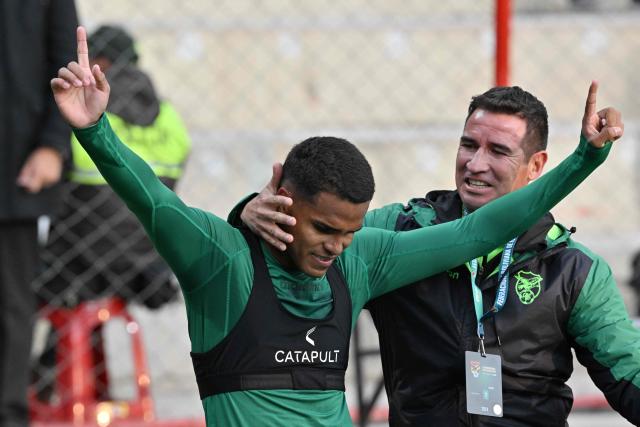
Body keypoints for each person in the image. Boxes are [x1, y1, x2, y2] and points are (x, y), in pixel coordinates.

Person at [52, 26, 620, 426]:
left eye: (349, 231)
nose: (336, 247)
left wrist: (585, 159)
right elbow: (151, 198)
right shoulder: (221, 259)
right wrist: (96, 131)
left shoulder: (361, 256)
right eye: (325, 228)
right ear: (285, 197)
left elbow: (480, 231)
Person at [239, 85, 639, 426]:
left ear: (537, 166)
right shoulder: (400, 230)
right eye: (468, 144)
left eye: (498, 151)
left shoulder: (572, 268)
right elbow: (303, 242)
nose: (475, 164)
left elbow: (628, 374)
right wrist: (248, 213)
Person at [31, 25, 191, 401]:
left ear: (98, 61)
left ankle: (37, 384)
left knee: (29, 280)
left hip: (76, 262)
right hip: (147, 268)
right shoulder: (170, 119)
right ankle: (58, 381)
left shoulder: (77, 106)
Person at [0, 2, 78, 426]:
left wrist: (52, 145)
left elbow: (64, 61)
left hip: (14, 170)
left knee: (10, 306)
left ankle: (8, 414)